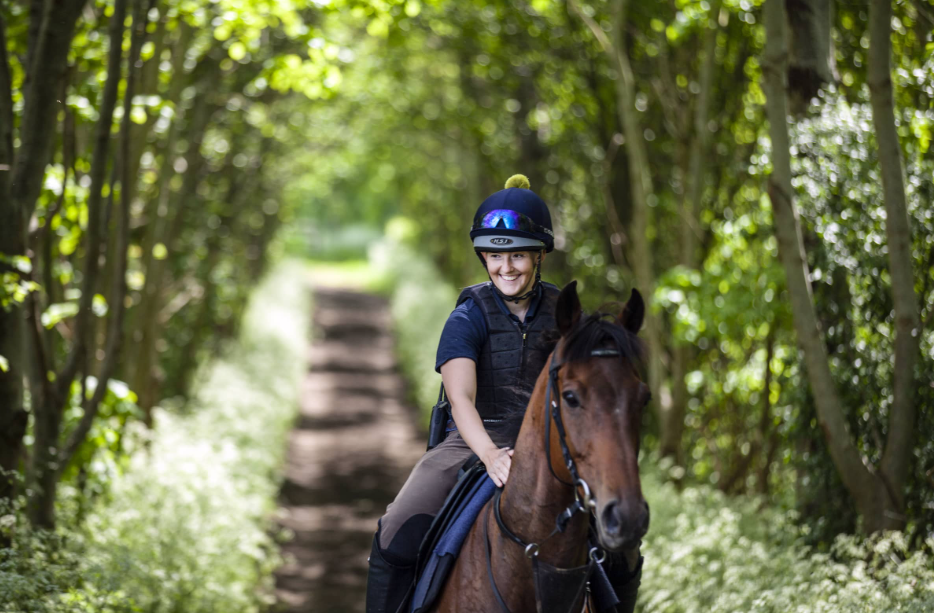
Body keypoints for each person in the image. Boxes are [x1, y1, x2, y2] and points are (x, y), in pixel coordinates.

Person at [365, 174, 641, 613]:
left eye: (517, 255)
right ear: (483, 257)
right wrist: (492, 455)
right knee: (396, 529)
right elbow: (461, 401)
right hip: (471, 442)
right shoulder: (467, 316)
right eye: (495, 255)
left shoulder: (567, 318)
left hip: (552, 447)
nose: (506, 267)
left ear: (539, 256)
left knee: (623, 551)